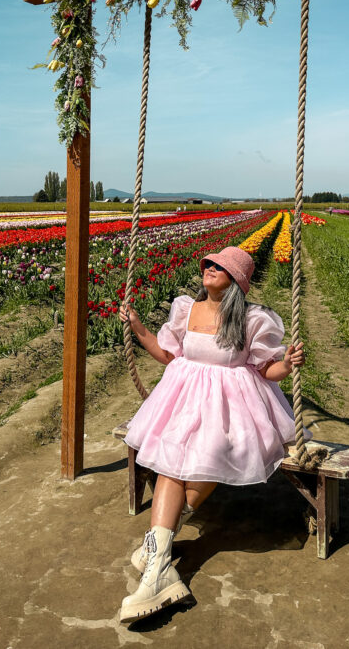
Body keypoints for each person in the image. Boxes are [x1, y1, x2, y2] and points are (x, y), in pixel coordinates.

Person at [117, 246, 308, 624]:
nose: (210, 268)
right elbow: (170, 356)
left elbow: (266, 371)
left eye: (220, 267)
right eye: (209, 263)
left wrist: (287, 363)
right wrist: (138, 328)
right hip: (184, 403)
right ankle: (159, 570)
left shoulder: (251, 319)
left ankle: (157, 548)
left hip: (230, 411)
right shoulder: (187, 308)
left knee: (209, 453)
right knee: (171, 464)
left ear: (236, 280)